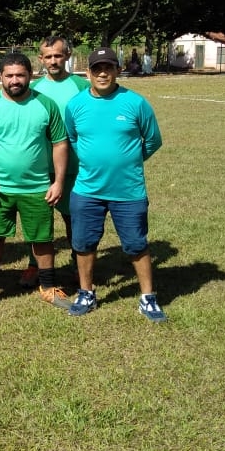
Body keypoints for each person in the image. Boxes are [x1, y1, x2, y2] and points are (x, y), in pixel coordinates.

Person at [65, 47, 166, 321]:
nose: (102, 73)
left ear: (117, 70)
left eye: (108, 67)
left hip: (128, 191)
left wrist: (130, 160)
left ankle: (148, 297)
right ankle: (86, 292)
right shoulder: (75, 105)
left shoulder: (136, 103)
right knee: (83, 243)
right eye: (97, 68)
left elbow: (153, 140)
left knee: (135, 244)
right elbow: (73, 138)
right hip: (87, 190)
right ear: (88, 73)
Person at [0, 52, 69, 310]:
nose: (15, 80)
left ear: (31, 75)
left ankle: (48, 287)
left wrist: (58, 181)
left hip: (37, 187)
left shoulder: (46, 105)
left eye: (20, 75)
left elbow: (60, 143)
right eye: (9, 75)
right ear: (0, 77)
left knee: (42, 239)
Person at [20, 36, 90, 288]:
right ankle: (34, 264)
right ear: (40, 59)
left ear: (67, 56)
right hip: (40, 166)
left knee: (74, 218)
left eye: (58, 55)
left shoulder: (81, 86)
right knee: (37, 218)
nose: (53, 61)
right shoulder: (34, 89)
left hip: (73, 166)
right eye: (48, 56)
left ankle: (76, 264)